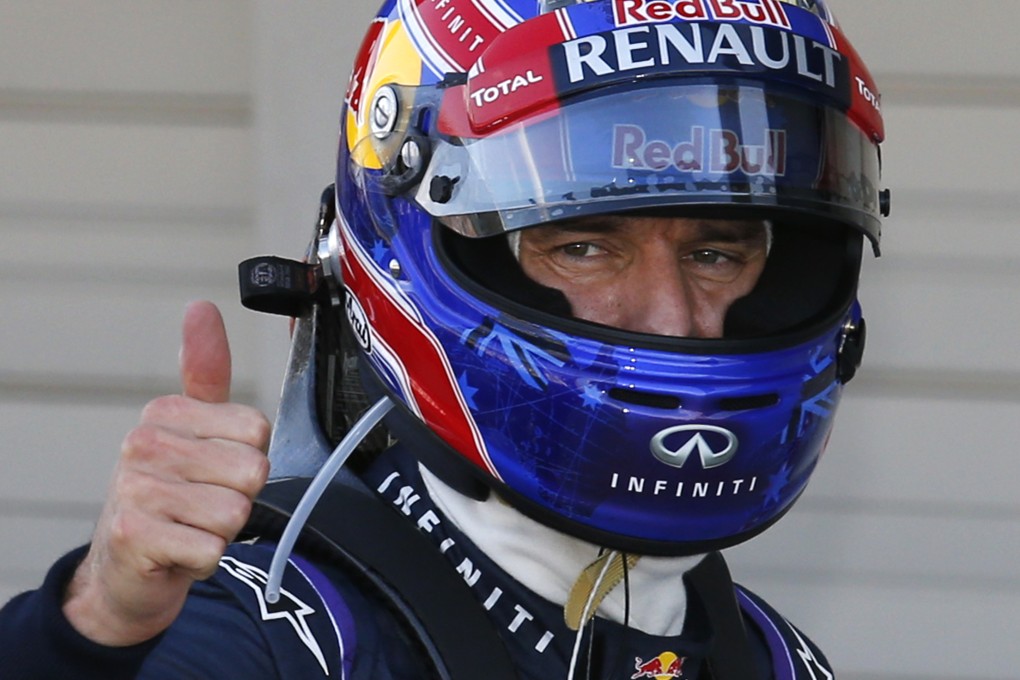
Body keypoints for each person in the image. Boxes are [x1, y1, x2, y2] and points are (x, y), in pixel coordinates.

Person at [0, 0, 890, 677]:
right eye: (583, 245)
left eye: (714, 251)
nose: (672, 316)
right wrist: (97, 626)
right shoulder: (284, 632)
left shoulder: (773, 657)